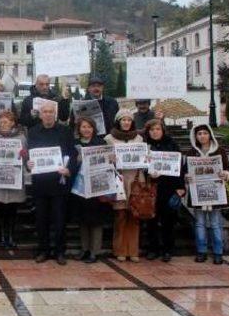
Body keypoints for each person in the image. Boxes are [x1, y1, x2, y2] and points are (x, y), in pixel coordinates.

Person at [27, 103, 78, 265]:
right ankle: (43, 250)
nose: (48, 115)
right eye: (45, 112)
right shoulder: (33, 131)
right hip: (40, 182)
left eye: (51, 112)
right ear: (40, 114)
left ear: (55, 114)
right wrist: (28, 164)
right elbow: (30, 153)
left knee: (59, 219)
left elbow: (73, 153)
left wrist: (69, 170)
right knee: (41, 219)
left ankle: (60, 252)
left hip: (59, 182)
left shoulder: (65, 131)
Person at [185, 124, 229, 265]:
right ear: (195, 136)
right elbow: (185, 171)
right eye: (199, 134)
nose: (202, 136)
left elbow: (228, 168)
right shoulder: (191, 152)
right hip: (197, 192)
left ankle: (218, 252)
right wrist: (187, 177)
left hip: (215, 192)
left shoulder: (219, 151)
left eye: (205, 133)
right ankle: (201, 251)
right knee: (199, 223)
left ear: (210, 135)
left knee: (216, 223)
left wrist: (225, 174)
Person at [143, 119, 185, 262]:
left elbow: (180, 167)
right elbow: (140, 165)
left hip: (169, 187)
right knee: (151, 220)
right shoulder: (145, 146)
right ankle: (153, 248)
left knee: (168, 220)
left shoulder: (172, 144)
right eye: (152, 129)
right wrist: (147, 171)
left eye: (158, 129)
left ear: (163, 130)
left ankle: (167, 249)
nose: (155, 132)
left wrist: (181, 187)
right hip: (151, 187)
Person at [104, 109, 144, 262]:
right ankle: (119, 249)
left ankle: (133, 250)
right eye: (123, 120)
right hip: (119, 180)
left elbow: (144, 159)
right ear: (118, 121)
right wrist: (110, 158)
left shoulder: (139, 138)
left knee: (134, 216)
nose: (126, 122)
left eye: (129, 120)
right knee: (120, 215)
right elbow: (105, 159)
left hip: (135, 179)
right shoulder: (109, 138)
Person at [73, 117, 112, 263]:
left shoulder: (100, 143)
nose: (86, 129)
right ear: (79, 129)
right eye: (83, 127)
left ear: (93, 129)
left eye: (89, 127)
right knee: (82, 220)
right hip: (79, 187)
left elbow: (107, 164)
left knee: (96, 221)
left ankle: (95, 251)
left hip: (97, 187)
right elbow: (69, 163)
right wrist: (76, 160)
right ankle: (85, 249)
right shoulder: (74, 144)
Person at [0, 111, 27, 249]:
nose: (4, 124)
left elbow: (26, 159)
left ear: (13, 123)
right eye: (1, 121)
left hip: (15, 178)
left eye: (7, 121)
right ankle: (3, 237)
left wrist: (24, 155)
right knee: (1, 210)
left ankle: (11, 236)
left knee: (13, 211)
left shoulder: (21, 138)